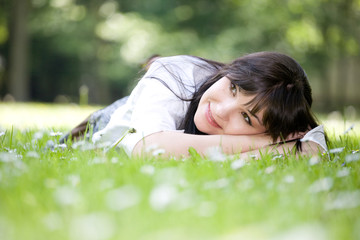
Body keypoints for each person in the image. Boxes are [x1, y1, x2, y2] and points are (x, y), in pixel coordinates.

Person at [62, 52, 327, 158]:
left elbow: (313, 149)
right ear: (228, 71)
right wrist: (262, 144)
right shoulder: (176, 72)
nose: (221, 110)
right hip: (112, 122)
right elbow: (148, 148)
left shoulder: (290, 127)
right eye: (233, 87)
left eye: (247, 118)